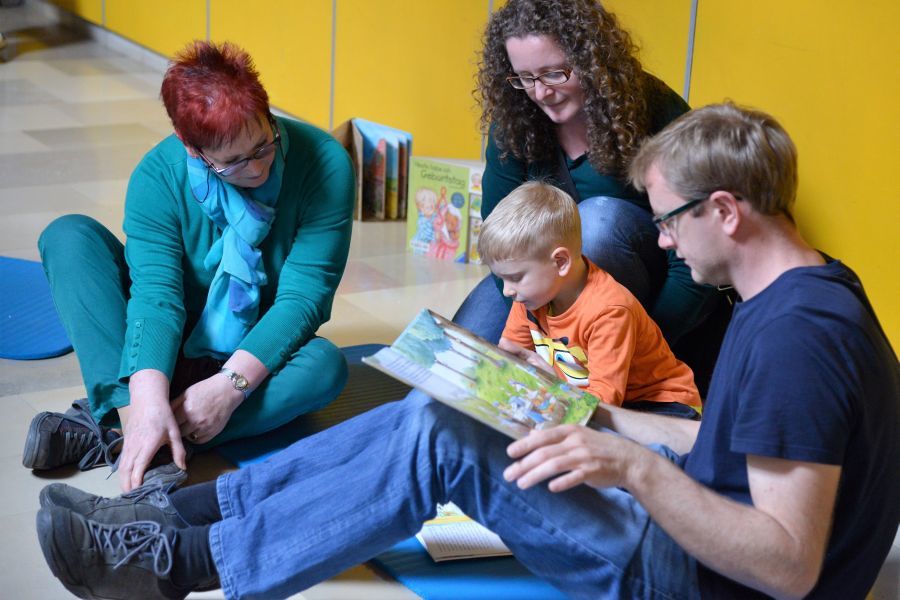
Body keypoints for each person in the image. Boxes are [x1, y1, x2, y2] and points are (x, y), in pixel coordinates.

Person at [35, 104, 899, 599]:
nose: (664, 244)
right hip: (697, 530)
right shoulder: (806, 289)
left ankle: (177, 565)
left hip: (696, 579)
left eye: (669, 221)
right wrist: (599, 419)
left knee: (445, 441)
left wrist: (635, 469)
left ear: (726, 212)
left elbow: (788, 568)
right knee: (447, 403)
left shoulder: (795, 341)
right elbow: (725, 452)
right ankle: (185, 514)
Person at [24, 40, 355, 491]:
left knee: (325, 368)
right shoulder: (158, 176)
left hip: (252, 349)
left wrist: (230, 387)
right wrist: (145, 398)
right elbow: (157, 299)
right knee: (69, 237)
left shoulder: (325, 164)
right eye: (232, 163)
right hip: (168, 344)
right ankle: (135, 421)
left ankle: (124, 434)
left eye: (263, 146)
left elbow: (303, 298)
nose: (256, 169)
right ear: (192, 148)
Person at [454, 0, 729, 395]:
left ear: (592, 59)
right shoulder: (514, 119)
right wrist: (533, 334)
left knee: (598, 221)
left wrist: (636, 346)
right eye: (525, 78)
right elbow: (502, 235)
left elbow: (699, 255)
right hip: (545, 287)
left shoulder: (655, 110)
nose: (541, 92)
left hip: (640, 298)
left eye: (555, 73)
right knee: (461, 368)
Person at [482, 181, 700, 415]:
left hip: (662, 406)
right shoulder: (529, 297)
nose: (507, 291)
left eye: (515, 277)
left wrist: (552, 384)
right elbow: (509, 357)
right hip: (596, 398)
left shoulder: (609, 311)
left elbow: (603, 403)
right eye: (503, 279)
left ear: (560, 262)